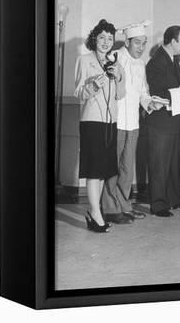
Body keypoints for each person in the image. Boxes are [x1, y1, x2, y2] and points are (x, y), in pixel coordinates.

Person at [101, 20, 161, 224]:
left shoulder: (141, 64)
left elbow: (143, 91)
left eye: (144, 43)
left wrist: (150, 104)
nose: (142, 48)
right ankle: (109, 208)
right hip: (115, 122)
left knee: (127, 168)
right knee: (112, 167)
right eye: (137, 43)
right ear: (127, 42)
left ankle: (124, 204)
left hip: (133, 123)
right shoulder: (114, 57)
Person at [74, 19, 125, 232]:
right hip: (92, 121)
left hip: (110, 121)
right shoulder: (84, 60)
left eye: (110, 38)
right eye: (102, 37)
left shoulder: (115, 62)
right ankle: (95, 213)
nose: (106, 42)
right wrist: (94, 84)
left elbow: (121, 95)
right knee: (94, 170)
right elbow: (78, 92)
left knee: (103, 170)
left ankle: (96, 212)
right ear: (94, 39)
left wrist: (117, 77)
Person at [145, 25, 180, 217]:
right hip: (160, 122)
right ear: (173, 41)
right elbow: (155, 92)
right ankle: (158, 204)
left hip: (172, 120)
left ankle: (171, 199)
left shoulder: (173, 60)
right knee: (160, 165)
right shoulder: (156, 62)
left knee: (171, 163)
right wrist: (179, 91)